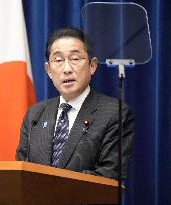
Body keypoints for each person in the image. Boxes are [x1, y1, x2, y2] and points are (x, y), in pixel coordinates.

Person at [16, 27, 133, 180]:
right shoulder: (35, 114)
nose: (66, 69)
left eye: (75, 59)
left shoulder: (115, 113)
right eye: (58, 60)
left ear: (92, 65)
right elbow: (21, 171)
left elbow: (109, 175)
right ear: (48, 70)